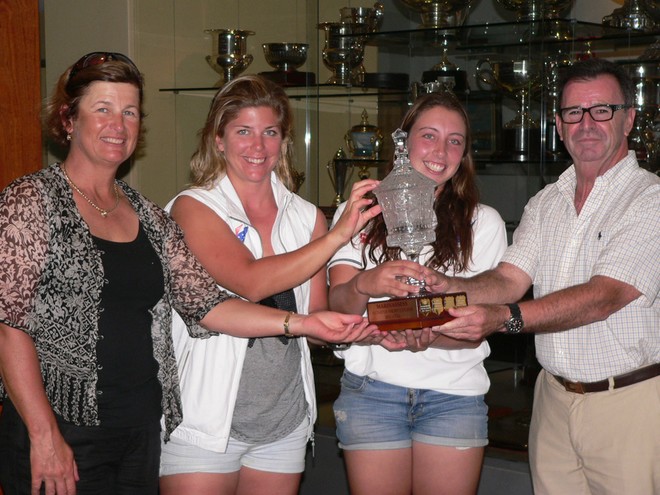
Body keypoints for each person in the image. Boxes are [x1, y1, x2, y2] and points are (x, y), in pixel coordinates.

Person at [0, 53, 378, 495]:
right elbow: (9, 327)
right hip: (64, 426)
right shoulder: (30, 200)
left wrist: (302, 323)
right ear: (68, 118)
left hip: (139, 427)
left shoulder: (146, 215)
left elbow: (208, 305)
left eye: (129, 112)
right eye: (102, 109)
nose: (118, 125)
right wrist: (44, 436)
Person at [432, 58, 660, 494]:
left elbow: (603, 297)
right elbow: (508, 278)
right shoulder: (547, 201)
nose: (587, 123)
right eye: (574, 112)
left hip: (629, 405)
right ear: (558, 125)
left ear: (629, 118)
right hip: (552, 401)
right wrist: (448, 287)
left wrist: (503, 318)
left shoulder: (650, 199)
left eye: (602, 110)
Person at [158, 74, 382, 495]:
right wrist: (337, 235)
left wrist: (358, 325)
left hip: (284, 418)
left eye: (270, 132)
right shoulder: (192, 208)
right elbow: (250, 281)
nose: (257, 147)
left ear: (284, 141)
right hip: (204, 419)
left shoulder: (305, 217)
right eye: (243, 131)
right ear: (218, 139)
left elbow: (314, 318)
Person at [327, 91, 508, 495]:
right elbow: (338, 305)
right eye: (429, 135)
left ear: (465, 154)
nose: (441, 151)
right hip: (371, 392)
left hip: (453, 395)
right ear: (403, 142)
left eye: (455, 140)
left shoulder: (484, 223)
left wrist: (426, 334)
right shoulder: (362, 211)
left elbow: (478, 323)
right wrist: (364, 283)